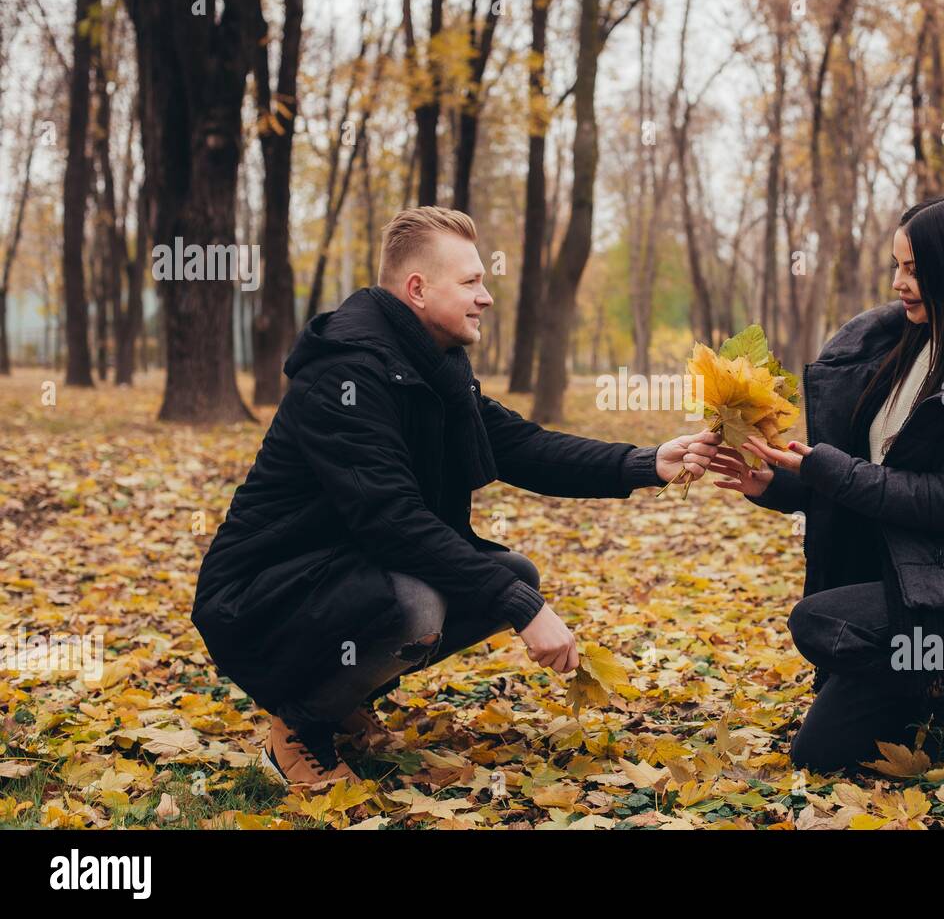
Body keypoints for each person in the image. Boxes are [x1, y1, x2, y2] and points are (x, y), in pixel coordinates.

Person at [192, 205, 719, 786]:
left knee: (510, 574)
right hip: (259, 595)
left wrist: (645, 463)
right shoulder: (346, 376)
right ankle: (298, 724)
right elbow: (391, 520)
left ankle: (336, 697)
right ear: (417, 289)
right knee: (419, 604)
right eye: (471, 281)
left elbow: (521, 445)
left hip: (336, 574)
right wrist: (524, 611)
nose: (485, 297)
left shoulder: (430, 365)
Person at [708, 192, 944, 774]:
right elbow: (860, 480)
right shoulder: (900, 350)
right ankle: (939, 686)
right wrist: (771, 485)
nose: (899, 283)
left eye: (913, 269)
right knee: (818, 757)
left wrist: (825, 466)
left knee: (817, 621)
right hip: (903, 591)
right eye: (896, 267)